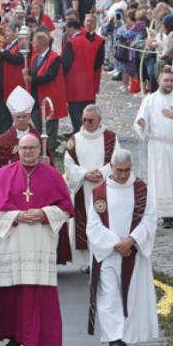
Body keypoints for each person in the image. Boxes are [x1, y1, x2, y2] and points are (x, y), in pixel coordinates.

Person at [0, 134, 75, 346]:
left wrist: (44, 213)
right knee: (12, 289)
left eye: (32, 148)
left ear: (38, 150)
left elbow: (65, 209)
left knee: (38, 292)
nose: (28, 152)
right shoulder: (4, 174)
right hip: (13, 241)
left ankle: (38, 341)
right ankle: (13, 335)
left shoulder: (52, 175)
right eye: (24, 148)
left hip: (39, 242)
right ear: (18, 149)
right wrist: (17, 216)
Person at [85, 149, 159, 346]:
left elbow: (149, 218)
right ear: (111, 167)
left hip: (133, 252)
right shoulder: (99, 192)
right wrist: (116, 243)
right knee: (110, 297)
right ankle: (114, 340)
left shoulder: (141, 190)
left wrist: (132, 240)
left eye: (127, 170)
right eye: (120, 171)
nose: (124, 175)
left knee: (131, 296)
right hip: (108, 253)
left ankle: (125, 336)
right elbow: (93, 225)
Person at [0, 86, 42, 265]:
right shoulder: (4, 139)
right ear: (13, 117)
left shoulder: (39, 138)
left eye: (25, 116)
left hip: (35, 190)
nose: (22, 120)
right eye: (18, 117)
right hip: (12, 191)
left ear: (29, 117)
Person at [134, 68, 173, 228]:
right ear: (159, 81)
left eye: (171, 80)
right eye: (165, 80)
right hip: (158, 146)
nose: (168, 83)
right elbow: (141, 120)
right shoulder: (150, 100)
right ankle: (164, 214)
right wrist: (142, 124)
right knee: (161, 180)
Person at [63, 104, 118, 271]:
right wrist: (85, 174)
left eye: (90, 120)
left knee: (104, 222)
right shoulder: (74, 140)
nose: (86, 123)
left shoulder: (110, 138)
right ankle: (87, 262)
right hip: (83, 189)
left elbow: (118, 161)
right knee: (85, 223)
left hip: (105, 188)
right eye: (84, 120)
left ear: (99, 120)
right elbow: (69, 164)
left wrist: (102, 172)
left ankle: (105, 257)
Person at [24, 30, 68, 152]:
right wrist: (27, 74)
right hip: (36, 96)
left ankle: (50, 149)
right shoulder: (35, 58)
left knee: (50, 125)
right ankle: (40, 148)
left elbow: (50, 76)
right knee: (37, 123)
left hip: (50, 96)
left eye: (34, 43)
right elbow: (33, 74)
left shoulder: (55, 58)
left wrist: (31, 79)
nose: (32, 45)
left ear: (41, 44)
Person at [62, 20, 100, 134]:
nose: (66, 32)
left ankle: (79, 133)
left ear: (71, 28)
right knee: (86, 111)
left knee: (75, 111)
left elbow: (66, 63)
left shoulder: (71, 42)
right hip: (88, 83)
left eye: (67, 29)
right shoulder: (88, 42)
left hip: (75, 83)